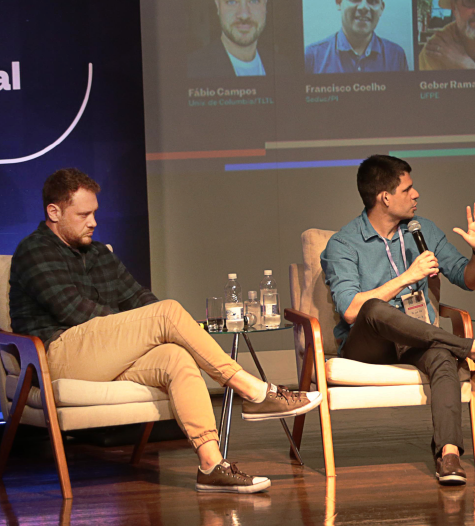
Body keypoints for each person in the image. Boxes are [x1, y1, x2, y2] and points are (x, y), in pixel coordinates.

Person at [8, 169, 322, 493]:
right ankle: (254, 392)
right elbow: (75, 312)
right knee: (166, 314)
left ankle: (211, 464)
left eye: (95, 213)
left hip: (103, 357)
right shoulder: (34, 251)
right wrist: (147, 327)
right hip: (55, 358)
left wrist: (153, 329)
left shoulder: (99, 254)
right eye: (84, 214)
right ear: (54, 212)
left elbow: (139, 297)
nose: (93, 222)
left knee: (175, 355)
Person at [320, 155, 475, 486]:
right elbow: (351, 310)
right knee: (374, 308)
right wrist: (407, 277)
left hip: (418, 339)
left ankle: (449, 456)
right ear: (384, 197)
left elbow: (468, 280)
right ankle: (473, 348)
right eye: (408, 188)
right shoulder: (343, 244)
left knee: (443, 356)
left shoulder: (422, 230)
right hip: (368, 346)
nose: (416, 195)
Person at [305, 0, 410, 74]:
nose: (364, 7)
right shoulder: (311, 57)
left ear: (381, 8)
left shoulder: (397, 56)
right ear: (339, 2)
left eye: (372, 0)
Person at [187, 0, 272, 78]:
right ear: (218, 6)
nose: (244, 15)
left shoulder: (283, 67)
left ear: (265, 4)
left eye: (254, 0)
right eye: (232, 2)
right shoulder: (191, 69)